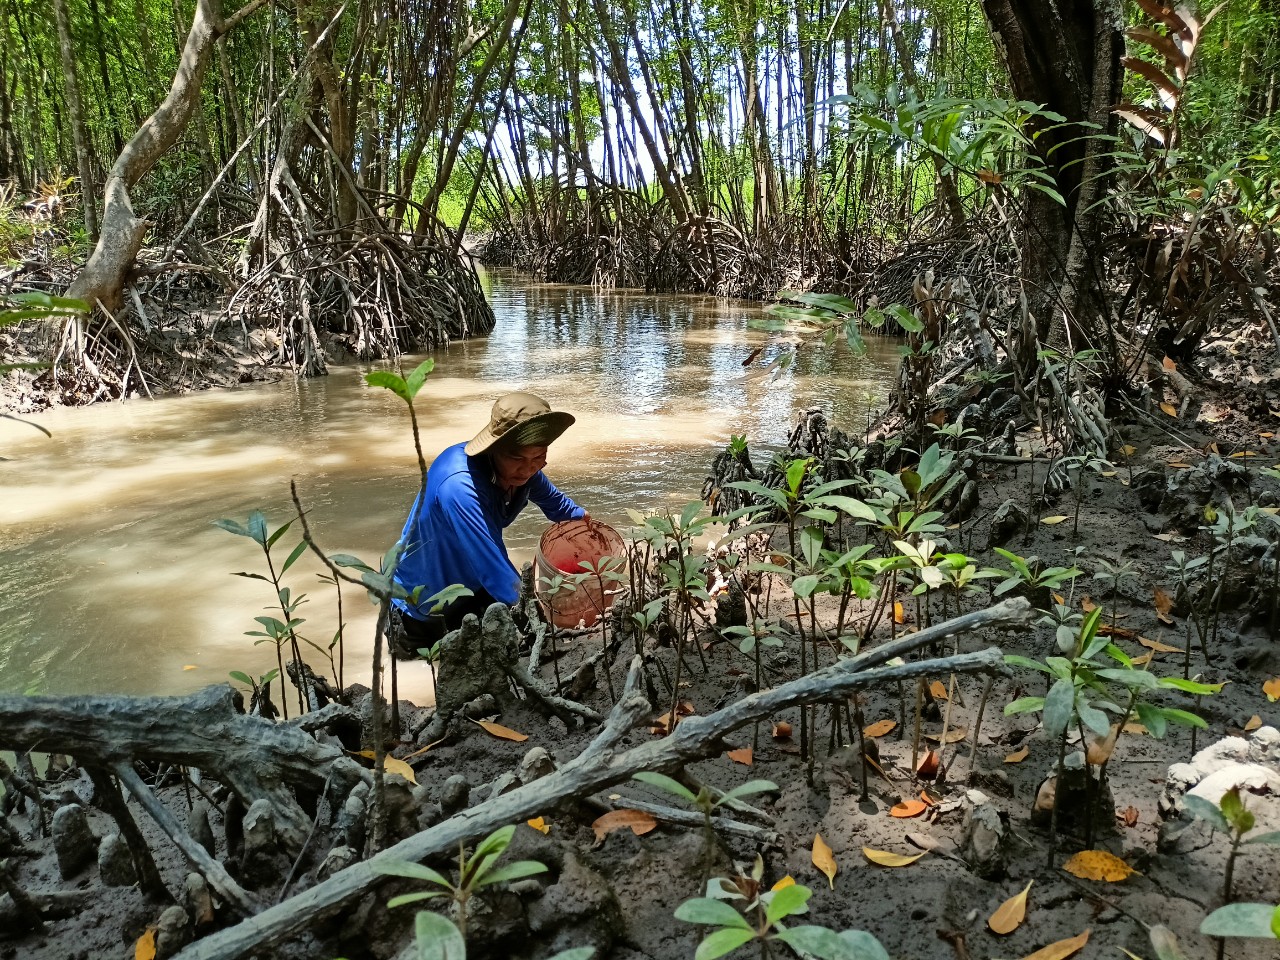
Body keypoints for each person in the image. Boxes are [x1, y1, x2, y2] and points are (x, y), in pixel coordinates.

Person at [389, 391, 586, 657]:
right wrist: (543, 622)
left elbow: (559, 507)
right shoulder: (459, 486)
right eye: (518, 458)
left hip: (469, 590)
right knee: (420, 670)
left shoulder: (523, 473)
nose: (529, 469)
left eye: (539, 456)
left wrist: (591, 528)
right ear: (494, 449)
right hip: (419, 603)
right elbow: (494, 569)